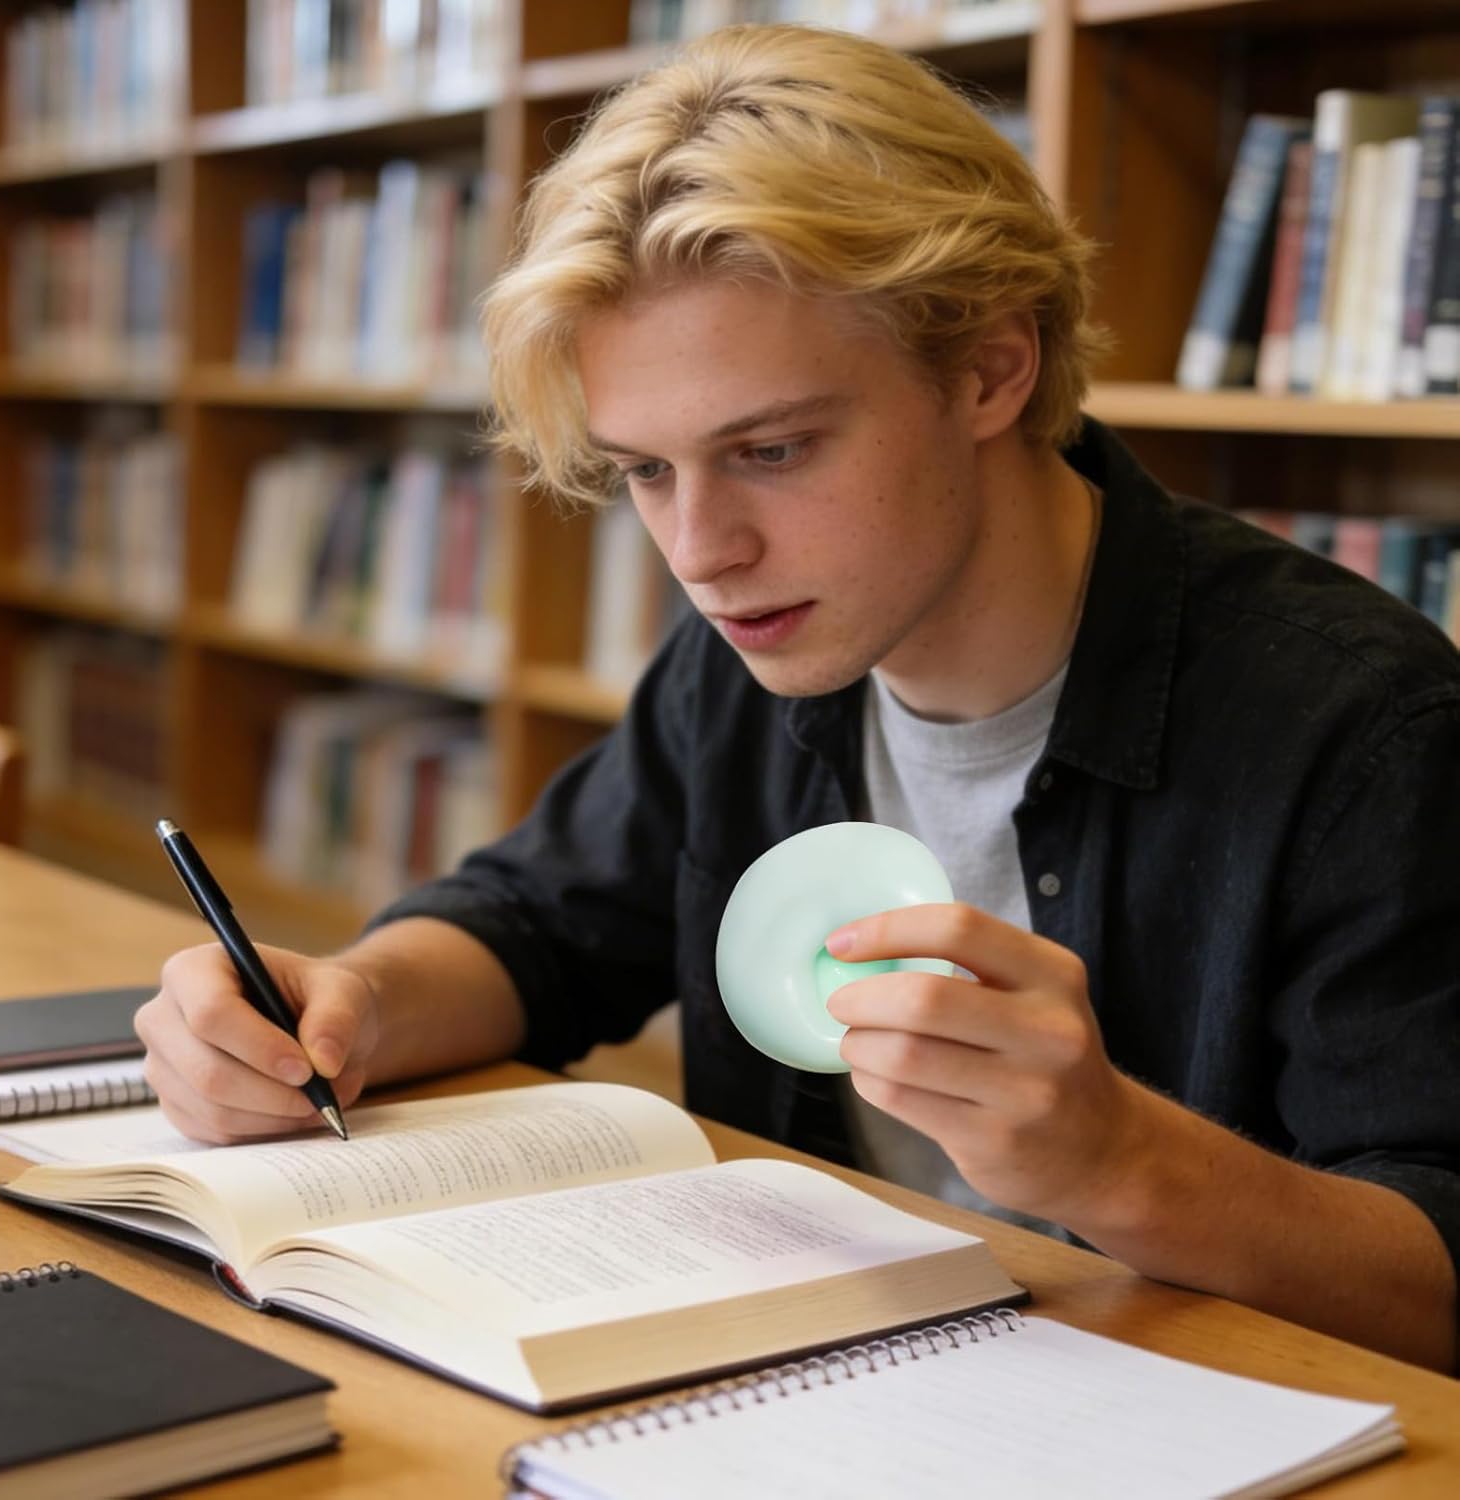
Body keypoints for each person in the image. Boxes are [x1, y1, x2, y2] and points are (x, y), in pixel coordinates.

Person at [135, 24, 1460, 1371]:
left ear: (991, 368)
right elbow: (538, 923)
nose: (702, 552)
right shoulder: (751, 654)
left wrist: (1116, 1159)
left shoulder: (1363, 731)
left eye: (769, 449)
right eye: (645, 471)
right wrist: (336, 1004)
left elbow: (1441, 1281)